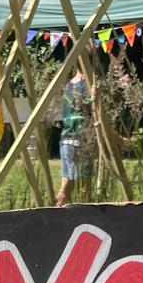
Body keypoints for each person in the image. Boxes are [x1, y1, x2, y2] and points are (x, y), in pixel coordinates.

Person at [57, 69, 91, 206]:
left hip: (66, 138)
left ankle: (57, 208)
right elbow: (91, 105)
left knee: (66, 180)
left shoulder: (68, 86)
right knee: (84, 183)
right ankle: (85, 214)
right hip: (81, 138)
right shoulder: (86, 85)